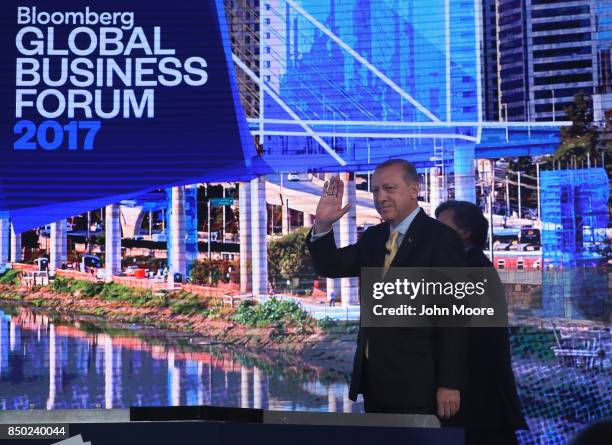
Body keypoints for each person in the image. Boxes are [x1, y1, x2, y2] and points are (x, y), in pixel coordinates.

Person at [306, 159, 468, 418]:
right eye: (376, 190)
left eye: (390, 188)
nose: (381, 197)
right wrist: (323, 226)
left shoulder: (440, 240)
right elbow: (330, 266)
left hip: (419, 384)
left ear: (415, 189)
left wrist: (449, 383)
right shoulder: (374, 237)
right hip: (375, 383)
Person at [435, 200, 527, 445]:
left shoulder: (472, 272)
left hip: (475, 398)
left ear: (464, 233)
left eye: (440, 227)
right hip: (475, 397)